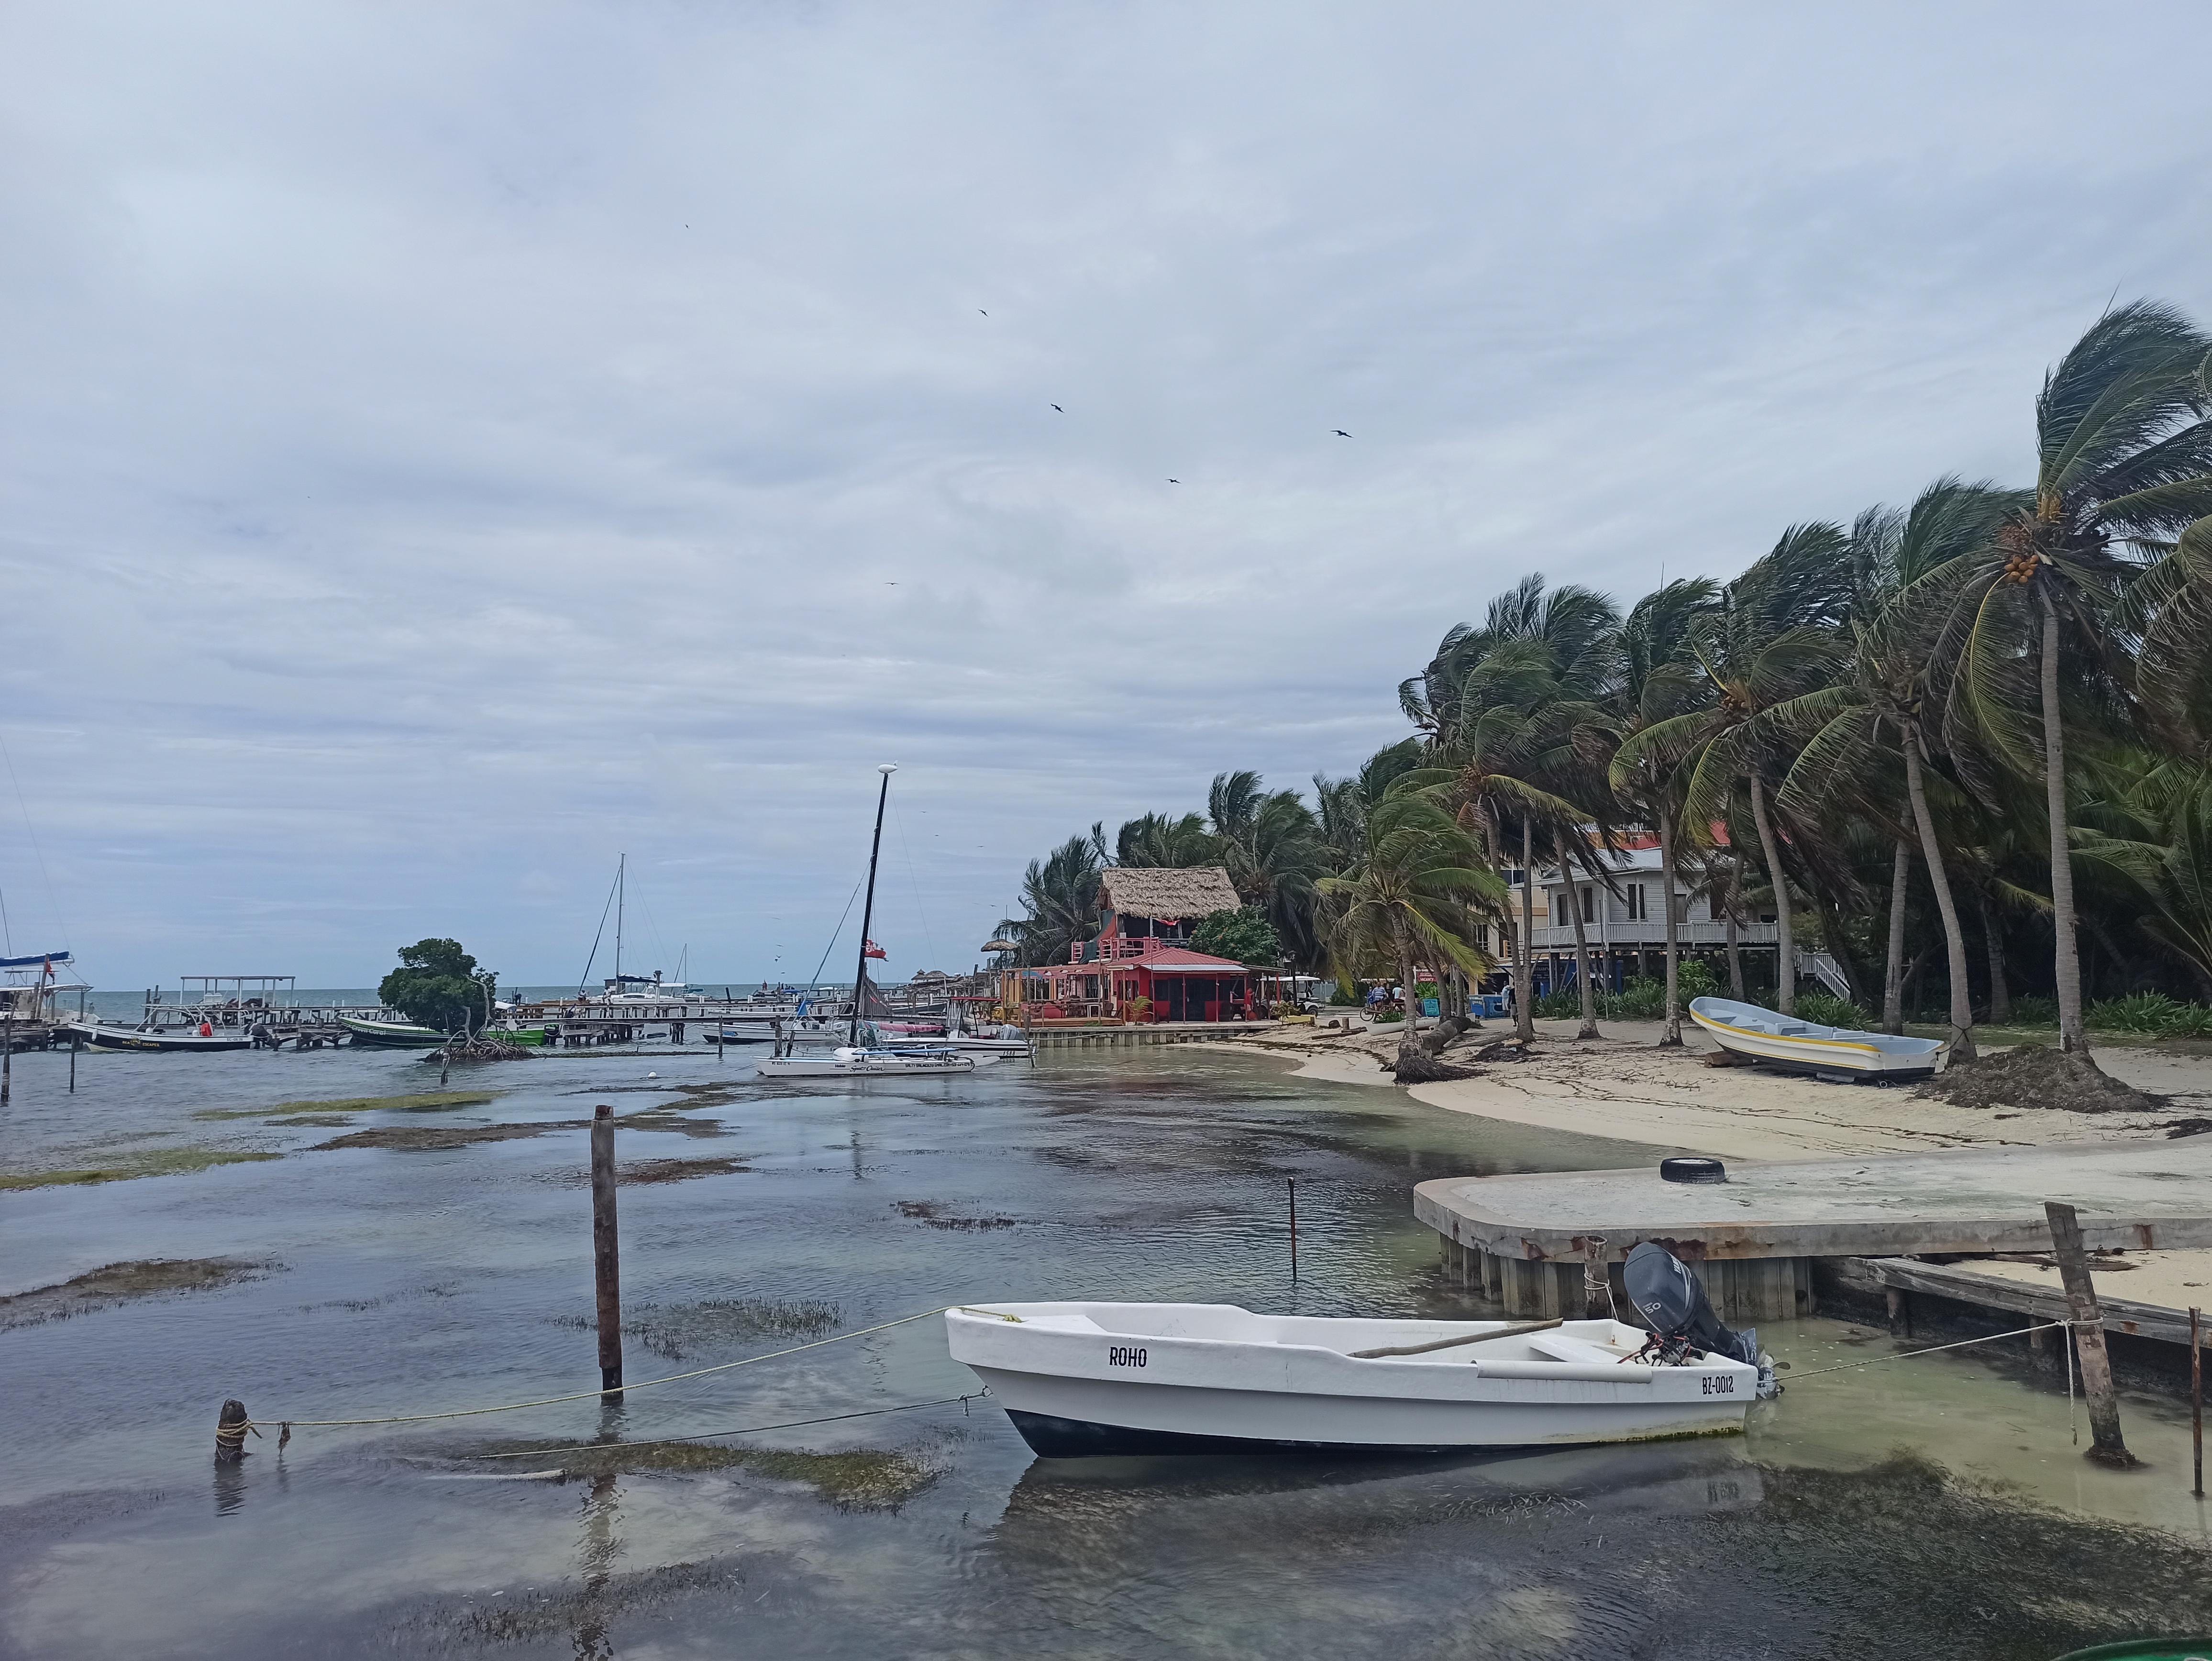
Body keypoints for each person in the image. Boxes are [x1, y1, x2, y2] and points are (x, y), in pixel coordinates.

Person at [1623, 1240, 1780, 1398]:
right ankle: (1741, 1355)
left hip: (1689, 1327)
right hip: (1686, 1326)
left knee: (1713, 1342)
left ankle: (1742, 1358)